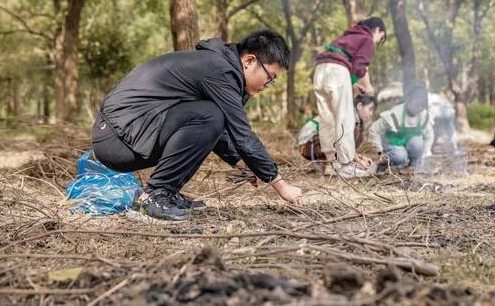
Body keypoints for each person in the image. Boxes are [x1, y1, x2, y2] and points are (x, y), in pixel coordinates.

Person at [92, 30, 304, 221]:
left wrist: (244, 164)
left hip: (125, 134)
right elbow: (241, 134)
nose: (268, 85)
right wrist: (280, 184)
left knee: (211, 115)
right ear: (249, 61)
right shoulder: (219, 70)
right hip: (117, 140)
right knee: (211, 115)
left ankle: (167, 194)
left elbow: (212, 131)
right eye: (270, 77)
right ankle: (155, 196)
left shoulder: (221, 68)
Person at [313, 17, 386, 168]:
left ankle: (331, 163)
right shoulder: (367, 39)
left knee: (326, 118)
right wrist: (368, 86)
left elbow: (341, 60)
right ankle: (346, 164)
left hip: (320, 70)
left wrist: (352, 85)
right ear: (377, 30)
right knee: (344, 118)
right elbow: (360, 66)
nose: (377, 42)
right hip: (338, 71)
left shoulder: (349, 35)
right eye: (380, 38)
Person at [297, 95, 376, 168]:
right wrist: (355, 158)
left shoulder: (355, 121)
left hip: (314, 143)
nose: (371, 114)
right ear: (359, 106)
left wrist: (360, 158)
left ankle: (331, 164)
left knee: (358, 135)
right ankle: (334, 165)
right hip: (307, 144)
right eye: (370, 109)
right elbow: (340, 140)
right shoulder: (346, 114)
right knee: (354, 133)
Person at [369, 85, 434, 170]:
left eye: (422, 105)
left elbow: (429, 136)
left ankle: (414, 168)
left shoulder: (423, 116)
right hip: (392, 145)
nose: (419, 108)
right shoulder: (395, 114)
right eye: (417, 104)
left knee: (417, 143)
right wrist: (379, 151)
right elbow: (374, 129)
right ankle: (385, 167)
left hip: (407, 146)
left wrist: (423, 154)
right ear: (409, 100)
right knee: (400, 156)